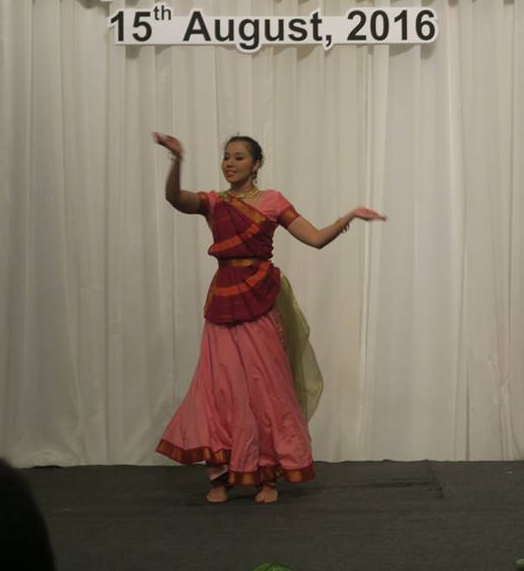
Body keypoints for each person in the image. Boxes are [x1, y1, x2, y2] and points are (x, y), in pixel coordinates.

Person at [153, 132, 385, 504]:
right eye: (227, 157)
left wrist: (349, 217)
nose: (230, 163)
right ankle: (221, 476)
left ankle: (268, 476)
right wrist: (176, 161)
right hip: (223, 299)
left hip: (260, 297)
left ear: (256, 164)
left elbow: (315, 239)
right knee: (220, 387)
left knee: (266, 386)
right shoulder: (215, 202)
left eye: (239, 157)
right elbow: (175, 199)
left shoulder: (273, 201)